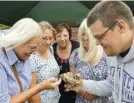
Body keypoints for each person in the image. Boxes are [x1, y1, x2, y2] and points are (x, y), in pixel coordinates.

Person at [65, 1, 134, 103]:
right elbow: (112, 85)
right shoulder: (111, 53)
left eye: (100, 36)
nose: (97, 43)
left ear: (120, 27)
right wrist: (82, 84)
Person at [0, 18, 61, 103]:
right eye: (32, 48)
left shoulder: (24, 55)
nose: (33, 53)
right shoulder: (2, 61)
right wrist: (40, 87)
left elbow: (25, 89)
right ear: (19, 41)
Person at [69, 18, 111, 103]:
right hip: (81, 99)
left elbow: (112, 82)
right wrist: (82, 92)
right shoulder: (76, 53)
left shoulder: (106, 53)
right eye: (83, 34)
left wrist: (96, 93)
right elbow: (71, 80)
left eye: (88, 34)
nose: (85, 38)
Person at [29, 21, 60, 103]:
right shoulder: (32, 57)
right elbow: (31, 88)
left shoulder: (50, 49)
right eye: (44, 38)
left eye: (50, 38)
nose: (48, 42)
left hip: (56, 99)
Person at [53, 22, 79, 103]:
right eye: (59, 36)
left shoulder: (77, 47)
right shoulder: (51, 49)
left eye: (65, 35)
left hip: (75, 90)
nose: (62, 39)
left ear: (69, 35)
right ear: (55, 37)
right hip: (56, 91)